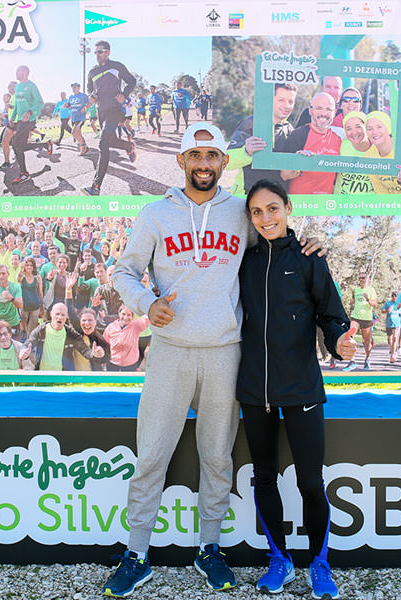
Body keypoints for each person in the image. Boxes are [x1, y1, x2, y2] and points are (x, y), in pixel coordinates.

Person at [103, 123, 323, 596]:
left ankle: (209, 549)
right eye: (195, 155)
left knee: (217, 460)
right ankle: (136, 554)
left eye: (213, 156)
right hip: (170, 353)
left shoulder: (239, 214)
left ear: (225, 162)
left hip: (226, 353)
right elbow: (123, 271)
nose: (204, 163)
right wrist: (146, 302)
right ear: (181, 161)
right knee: (151, 457)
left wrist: (307, 245)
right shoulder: (156, 213)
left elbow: (275, 234)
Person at [236, 178, 354, 598]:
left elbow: (331, 315)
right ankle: (280, 560)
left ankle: (319, 565)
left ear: (287, 208)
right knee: (264, 478)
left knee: (310, 483)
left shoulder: (310, 258)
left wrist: (339, 341)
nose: (266, 218)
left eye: (272, 208)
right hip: (254, 390)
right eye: (257, 212)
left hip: (302, 387)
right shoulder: (243, 261)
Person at [82, 40, 137, 196]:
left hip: (115, 109)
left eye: (100, 51)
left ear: (108, 52)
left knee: (103, 143)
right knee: (110, 140)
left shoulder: (116, 66)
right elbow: (91, 91)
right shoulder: (92, 72)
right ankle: (128, 147)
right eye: (96, 52)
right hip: (101, 111)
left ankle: (96, 186)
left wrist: (124, 95)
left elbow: (132, 81)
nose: (97, 55)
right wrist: (90, 101)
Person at [226, 83, 297, 195]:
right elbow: (226, 162)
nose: (287, 106)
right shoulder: (250, 124)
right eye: (281, 100)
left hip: (276, 199)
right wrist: (246, 152)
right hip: (247, 197)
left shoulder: (289, 129)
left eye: (290, 101)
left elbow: (292, 167)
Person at [277, 92, 341, 195]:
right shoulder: (298, 135)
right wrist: (299, 162)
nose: (324, 113)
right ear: (310, 111)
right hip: (300, 205)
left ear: (335, 112)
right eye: (319, 108)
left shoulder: (338, 140)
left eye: (329, 109)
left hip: (325, 206)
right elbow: (284, 175)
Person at [27, 303, 101, 370]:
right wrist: (24, 351)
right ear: (51, 314)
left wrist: (93, 353)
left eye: (63, 315)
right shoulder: (41, 330)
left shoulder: (71, 333)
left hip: (63, 378)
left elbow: (85, 350)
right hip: (42, 376)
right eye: (57, 314)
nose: (60, 317)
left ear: (66, 317)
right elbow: (29, 343)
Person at [9, 65, 51, 184]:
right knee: (19, 145)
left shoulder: (31, 86)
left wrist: (30, 112)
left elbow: (40, 102)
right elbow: (17, 104)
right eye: (16, 70)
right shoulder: (17, 87)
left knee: (15, 143)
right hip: (19, 120)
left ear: (26, 72)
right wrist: (12, 117)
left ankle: (24, 173)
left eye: (19, 71)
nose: (17, 72)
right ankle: (45, 144)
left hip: (29, 120)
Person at [103, 304, 150, 371]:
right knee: (112, 381)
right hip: (113, 363)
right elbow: (104, 344)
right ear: (119, 314)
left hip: (130, 365)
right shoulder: (111, 327)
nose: (125, 317)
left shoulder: (136, 325)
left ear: (132, 316)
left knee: (129, 381)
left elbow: (148, 316)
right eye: (123, 314)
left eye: (129, 315)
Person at [343, 273, 375, 371]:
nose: (361, 279)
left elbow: (375, 304)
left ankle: (367, 360)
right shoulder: (356, 290)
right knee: (350, 335)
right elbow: (353, 301)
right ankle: (352, 361)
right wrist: (352, 302)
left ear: (367, 279)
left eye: (363, 278)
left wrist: (368, 299)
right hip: (356, 317)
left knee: (367, 341)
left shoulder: (371, 290)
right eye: (360, 278)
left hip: (367, 318)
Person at [0, 264, 23, 336]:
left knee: (16, 344)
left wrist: (11, 298)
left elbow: (20, 305)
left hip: (14, 323)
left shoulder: (16, 287)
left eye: (3, 273)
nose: (1, 276)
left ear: (8, 274)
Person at [18, 256, 44, 335]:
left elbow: (40, 292)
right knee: (24, 326)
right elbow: (18, 279)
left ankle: (29, 343)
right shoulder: (22, 277)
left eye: (31, 265)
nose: (29, 267)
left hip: (35, 306)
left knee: (32, 328)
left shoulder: (37, 277)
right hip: (24, 306)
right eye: (27, 265)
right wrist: (21, 269)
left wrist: (42, 306)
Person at [381, 291, 401, 363]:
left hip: (397, 323)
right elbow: (382, 311)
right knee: (390, 340)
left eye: (396, 297)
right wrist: (387, 310)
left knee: (395, 338)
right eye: (393, 296)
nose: (394, 298)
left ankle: (393, 355)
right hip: (389, 323)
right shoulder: (387, 303)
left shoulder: (399, 304)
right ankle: (392, 349)